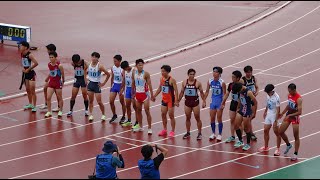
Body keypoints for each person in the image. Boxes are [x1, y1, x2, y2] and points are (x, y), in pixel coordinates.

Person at [178, 68, 205, 140]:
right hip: (187, 103)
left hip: (195, 103)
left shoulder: (198, 83)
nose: (192, 76)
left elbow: (202, 93)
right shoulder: (184, 82)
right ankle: (188, 132)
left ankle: (199, 133)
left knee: (197, 118)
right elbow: (181, 92)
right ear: (188, 75)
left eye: (193, 74)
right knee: (187, 117)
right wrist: (178, 101)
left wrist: (204, 101)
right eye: (190, 74)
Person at [153, 65, 179, 138]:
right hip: (164, 100)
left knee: (171, 115)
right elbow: (160, 88)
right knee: (163, 114)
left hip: (171, 101)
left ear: (167, 72)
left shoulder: (172, 80)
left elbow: (176, 91)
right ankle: (164, 130)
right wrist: (154, 96)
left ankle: (172, 131)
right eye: (161, 71)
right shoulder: (161, 79)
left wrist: (176, 100)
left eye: (163, 71)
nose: (162, 72)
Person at [278, 83, 302, 161]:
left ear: (294, 90)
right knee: (280, 131)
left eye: (290, 91)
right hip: (289, 115)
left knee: (296, 136)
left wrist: (290, 115)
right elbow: (288, 106)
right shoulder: (289, 95)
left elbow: (299, 112)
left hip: (295, 118)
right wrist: (282, 113)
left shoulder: (299, 99)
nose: (289, 92)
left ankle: (295, 153)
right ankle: (288, 145)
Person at [232, 82, 257, 151]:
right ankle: (240, 140)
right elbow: (240, 99)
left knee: (246, 129)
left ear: (241, 88)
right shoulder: (240, 90)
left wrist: (254, 113)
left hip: (247, 111)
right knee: (236, 125)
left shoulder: (249, 92)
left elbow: (255, 102)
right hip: (241, 110)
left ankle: (248, 144)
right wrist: (238, 107)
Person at [203, 66, 226, 141]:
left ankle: (220, 134)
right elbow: (206, 91)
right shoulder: (210, 81)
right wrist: (204, 100)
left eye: (216, 72)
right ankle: (213, 133)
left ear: (219, 73)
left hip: (219, 102)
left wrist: (223, 103)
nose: (214, 73)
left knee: (219, 118)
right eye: (213, 71)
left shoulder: (222, 82)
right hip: (213, 102)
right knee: (212, 118)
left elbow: (225, 94)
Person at [131, 59, 154, 134]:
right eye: (139, 65)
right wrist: (133, 93)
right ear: (136, 66)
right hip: (137, 95)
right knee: (138, 111)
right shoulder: (134, 73)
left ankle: (149, 128)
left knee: (147, 111)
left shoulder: (146, 74)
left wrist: (152, 95)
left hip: (145, 95)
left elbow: (150, 85)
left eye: (142, 65)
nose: (141, 66)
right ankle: (141, 127)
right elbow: (133, 83)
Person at [87, 52, 110, 121]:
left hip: (97, 85)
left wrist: (103, 83)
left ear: (97, 58)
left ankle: (103, 114)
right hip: (90, 84)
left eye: (95, 57)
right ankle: (90, 114)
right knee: (90, 101)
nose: (93, 58)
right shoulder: (89, 64)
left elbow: (108, 74)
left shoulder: (100, 66)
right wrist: (86, 79)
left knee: (99, 102)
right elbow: (84, 70)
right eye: (92, 57)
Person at [259, 84, 281, 156]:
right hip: (269, 114)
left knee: (277, 133)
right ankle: (266, 147)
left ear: (271, 91)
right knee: (265, 130)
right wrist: (265, 111)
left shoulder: (277, 98)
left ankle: (278, 149)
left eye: (267, 92)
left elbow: (278, 110)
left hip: (274, 115)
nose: (267, 93)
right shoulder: (268, 95)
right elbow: (267, 103)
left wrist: (276, 120)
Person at [221, 70, 243, 143]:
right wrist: (223, 102)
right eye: (232, 77)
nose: (232, 78)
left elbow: (242, 97)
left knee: (239, 122)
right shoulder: (231, 85)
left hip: (240, 105)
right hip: (233, 103)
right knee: (232, 120)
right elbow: (227, 94)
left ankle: (240, 138)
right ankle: (232, 136)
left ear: (238, 78)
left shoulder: (241, 86)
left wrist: (239, 107)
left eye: (234, 77)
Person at [19, 41, 39, 112]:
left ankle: (35, 106)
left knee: (32, 91)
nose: (19, 47)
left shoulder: (30, 55)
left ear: (25, 47)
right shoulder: (22, 54)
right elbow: (24, 62)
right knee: (27, 89)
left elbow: (36, 63)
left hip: (31, 74)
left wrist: (28, 69)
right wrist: (24, 69)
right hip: (26, 74)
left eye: (21, 46)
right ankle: (30, 104)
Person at [40, 44, 60, 112]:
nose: (47, 51)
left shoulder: (56, 60)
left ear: (51, 50)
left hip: (56, 79)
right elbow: (52, 70)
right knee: (45, 88)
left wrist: (49, 78)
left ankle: (59, 107)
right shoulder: (51, 57)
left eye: (47, 50)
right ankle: (46, 104)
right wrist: (48, 77)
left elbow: (56, 71)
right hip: (52, 78)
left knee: (57, 93)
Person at [45, 52, 65, 117]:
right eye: (50, 57)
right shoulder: (49, 64)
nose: (51, 59)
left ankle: (60, 111)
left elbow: (63, 74)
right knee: (48, 97)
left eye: (52, 57)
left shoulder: (59, 65)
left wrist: (63, 81)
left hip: (57, 83)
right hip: (51, 83)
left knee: (59, 97)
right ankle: (49, 111)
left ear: (55, 57)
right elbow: (51, 72)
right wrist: (47, 78)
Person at [242, 65, 259, 141]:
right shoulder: (243, 80)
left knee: (253, 116)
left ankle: (246, 126)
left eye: (250, 72)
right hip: (247, 100)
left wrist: (257, 92)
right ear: (245, 72)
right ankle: (250, 133)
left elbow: (257, 87)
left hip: (253, 98)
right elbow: (241, 90)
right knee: (249, 117)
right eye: (248, 72)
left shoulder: (253, 78)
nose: (249, 74)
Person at [119, 61, 138, 127]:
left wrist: (134, 93)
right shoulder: (124, 71)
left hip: (134, 89)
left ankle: (137, 121)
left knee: (135, 106)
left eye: (124, 69)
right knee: (127, 105)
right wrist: (121, 89)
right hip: (128, 89)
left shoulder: (134, 71)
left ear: (127, 66)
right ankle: (129, 120)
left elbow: (135, 82)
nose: (124, 70)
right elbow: (124, 80)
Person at [109, 55, 126, 124]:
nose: (114, 62)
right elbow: (112, 77)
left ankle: (124, 116)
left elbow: (124, 80)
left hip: (120, 86)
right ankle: (114, 115)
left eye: (115, 61)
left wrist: (123, 88)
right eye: (114, 61)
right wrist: (111, 86)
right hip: (115, 85)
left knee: (122, 102)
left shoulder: (123, 69)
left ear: (119, 61)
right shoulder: (113, 68)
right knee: (111, 101)